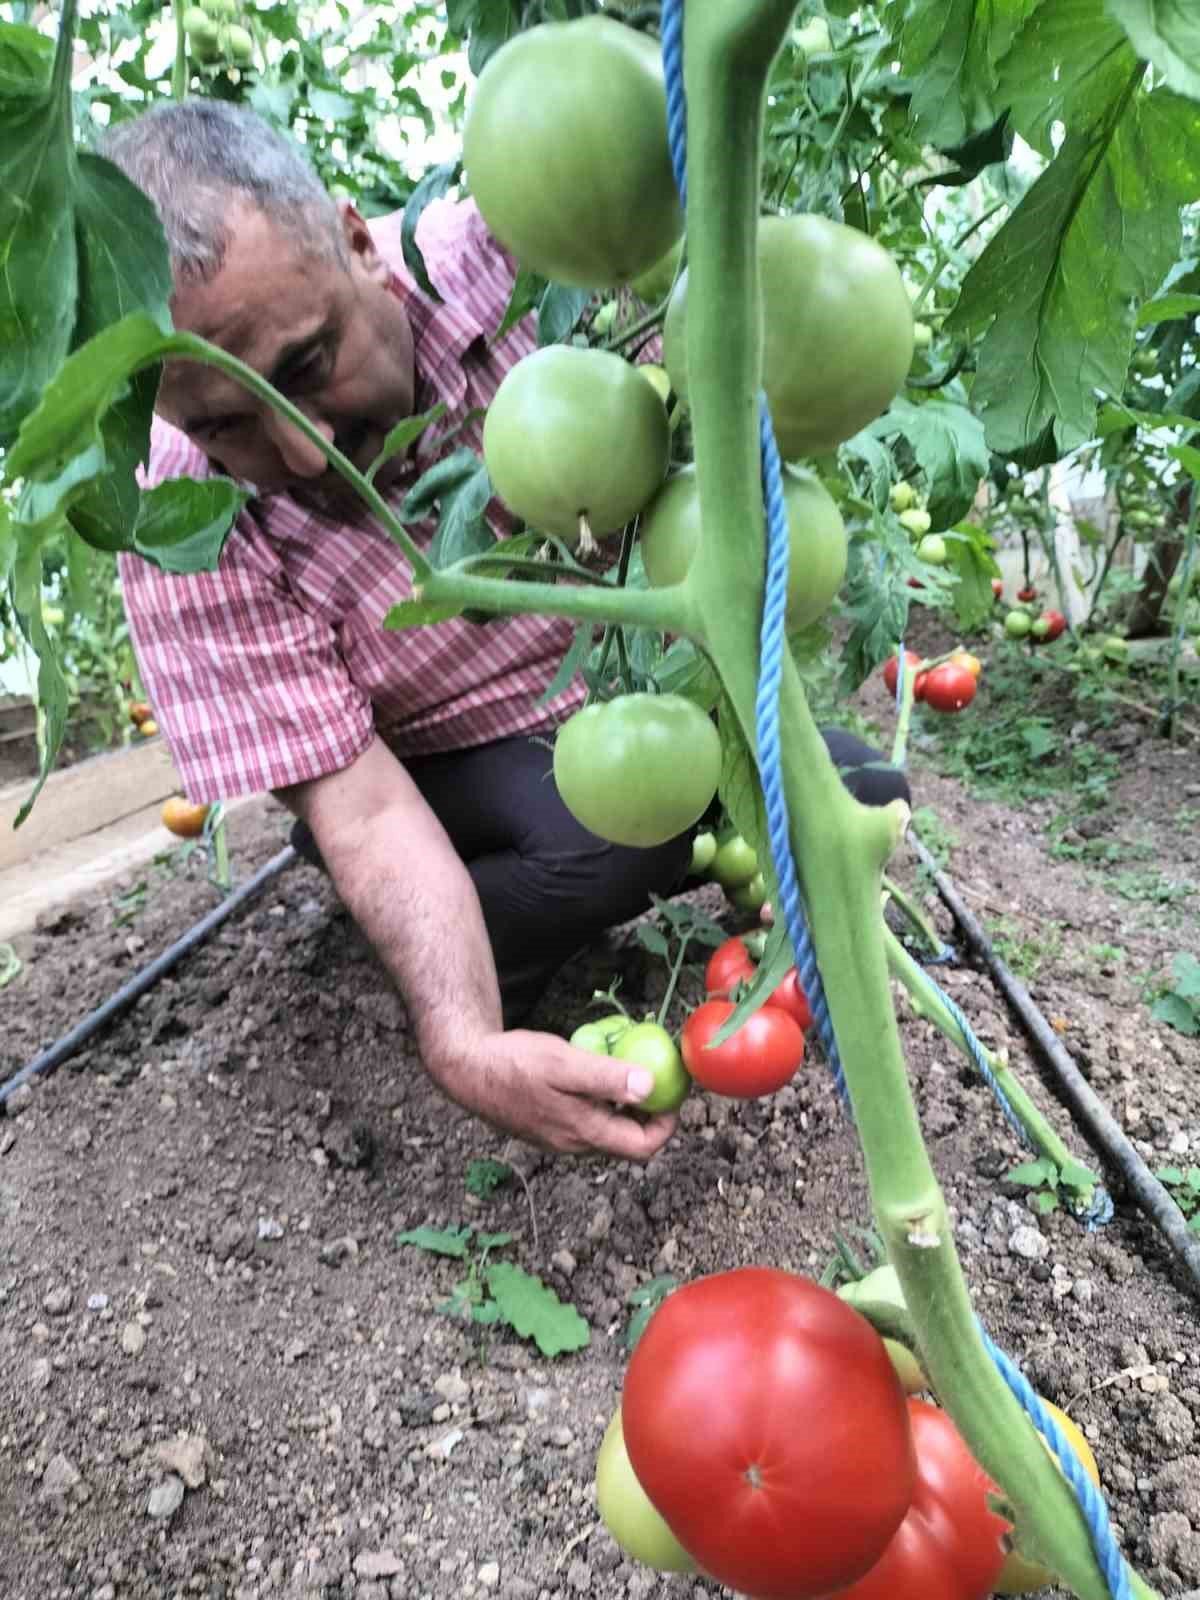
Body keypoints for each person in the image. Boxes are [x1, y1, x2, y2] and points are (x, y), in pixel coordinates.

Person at [100, 101, 909, 1162]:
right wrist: (462, 1034)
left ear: (357, 241)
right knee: (608, 843)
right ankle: (452, 940)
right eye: (222, 424)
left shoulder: (544, 255)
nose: (303, 455)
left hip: (609, 708)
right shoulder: (172, 519)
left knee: (857, 793)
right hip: (428, 766)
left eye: (304, 366)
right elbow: (362, 803)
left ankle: (569, 883)